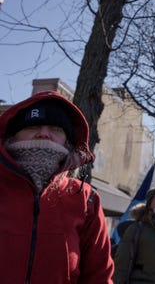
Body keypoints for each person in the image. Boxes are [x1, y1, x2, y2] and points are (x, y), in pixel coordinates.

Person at [0, 90, 114, 283]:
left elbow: (99, 276)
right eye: (33, 125)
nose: (44, 134)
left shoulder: (86, 199)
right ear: (12, 136)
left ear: (68, 142)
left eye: (55, 129)